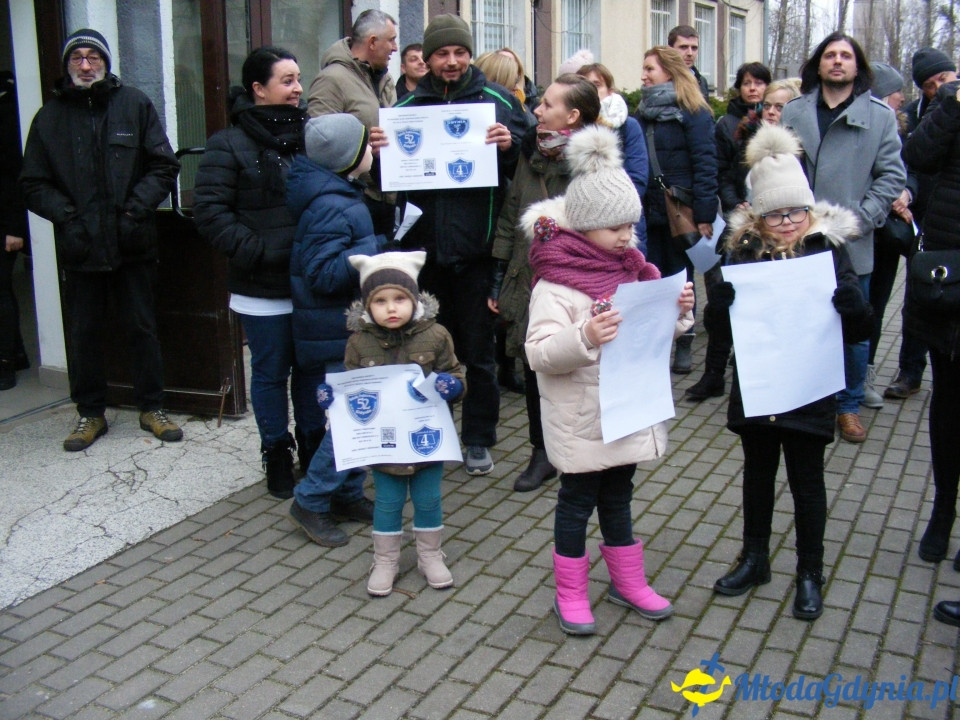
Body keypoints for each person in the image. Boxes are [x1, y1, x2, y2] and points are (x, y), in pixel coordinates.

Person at [523, 125, 695, 635]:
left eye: (630, 224)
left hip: (626, 409)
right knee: (576, 503)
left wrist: (679, 312)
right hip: (581, 417)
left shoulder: (633, 267)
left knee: (620, 497)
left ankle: (628, 580)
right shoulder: (555, 282)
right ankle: (570, 592)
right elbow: (538, 353)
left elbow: (652, 334)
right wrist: (585, 335)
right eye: (615, 226)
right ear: (582, 226)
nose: (627, 235)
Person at [709, 124, 873, 620]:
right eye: (775, 213)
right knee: (757, 475)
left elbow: (861, 330)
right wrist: (720, 305)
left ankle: (809, 571)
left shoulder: (826, 251)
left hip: (809, 386)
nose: (786, 222)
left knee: (807, 482)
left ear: (810, 210)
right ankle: (755, 557)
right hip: (758, 387)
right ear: (757, 215)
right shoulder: (741, 252)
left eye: (795, 212)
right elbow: (723, 332)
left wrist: (853, 306)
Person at [19, 29, 181, 450]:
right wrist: (69, 218)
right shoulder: (49, 118)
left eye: (93, 56)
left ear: (106, 62)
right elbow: (33, 183)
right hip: (80, 247)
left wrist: (132, 211)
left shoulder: (134, 105)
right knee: (84, 333)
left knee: (142, 328)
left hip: (132, 243)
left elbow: (163, 166)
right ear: (67, 65)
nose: (86, 65)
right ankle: (90, 414)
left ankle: (152, 407)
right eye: (77, 58)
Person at [393, 13, 528, 476]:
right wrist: (378, 155)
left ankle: (478, 438)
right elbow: (389, 183)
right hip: (425, 256)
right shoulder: (407, 108)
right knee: (426, 351)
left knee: (478, 353)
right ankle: (433, 431)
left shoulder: (499, 100)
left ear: (470, 54)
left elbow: (527, 162)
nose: (451, 62)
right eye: (442, 54)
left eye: (459, 52)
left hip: (477, 252)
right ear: (427, 58)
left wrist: (510, 145)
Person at [193, 47, 317, 499]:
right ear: (258, 89)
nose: (298, 89)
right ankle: (277, 454)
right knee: (269, 374)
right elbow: (208, 211)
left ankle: (313, 449)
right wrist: (259, 251)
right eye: (287, 80)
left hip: (309, 283)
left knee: (310, 373)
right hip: (260, 288)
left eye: (299, 79)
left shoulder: (312, 134)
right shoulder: (228, 143)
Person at [781, 33, 905, 444]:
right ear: (818, 65)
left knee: (853, 327)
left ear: (857, 66)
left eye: (846, 56)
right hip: (796, 241)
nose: (837, 62)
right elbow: (776, 166)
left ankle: (848, 405)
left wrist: (860, 219)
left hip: (852, 243)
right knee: (801, 323)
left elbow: (892, 177)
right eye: (830, 55)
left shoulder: (880, 117)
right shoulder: (795, 112)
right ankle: (801, 395)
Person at [318, 251, 465, 594]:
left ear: (414, 299)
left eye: (400, 298)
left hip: (427, 439)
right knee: (387, 502)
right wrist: (331, 398)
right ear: (367, 307)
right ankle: (385, 560)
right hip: (384, 444)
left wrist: (453, 386)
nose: (391, 308)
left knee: (428, 499)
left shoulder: (437, 335)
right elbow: (351, 386)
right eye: (380, 301)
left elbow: (455, 373)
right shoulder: (359, 342)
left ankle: (430, 554)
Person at [490, 75, 602, 493]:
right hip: (526, 273)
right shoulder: (529, 152)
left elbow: (610, 230)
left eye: (547, 105)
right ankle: (542, 452)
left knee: (572, 368)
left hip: (573, 281)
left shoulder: (596, 164)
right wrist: (498, 277)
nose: (536, 109)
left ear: (573, 116)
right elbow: (511, 212)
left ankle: (579, 447)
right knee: (532, 361)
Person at [284, 113, 386, 547]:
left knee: (354, 412)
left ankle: (346, 493)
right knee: (351, 422)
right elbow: (323, 274)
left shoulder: (339, 194)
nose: (373, 150)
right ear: (348, 158)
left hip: (338, 328)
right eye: (366, 145)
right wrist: (375, 250)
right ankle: (310, 500)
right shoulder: (332, 203)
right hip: (333, 331)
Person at [902, 77, 960, 580]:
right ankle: (942, 511)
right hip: (949, 278)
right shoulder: (951, 101)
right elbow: (917, 154)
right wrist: (953, 103)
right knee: (947, 406)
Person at [685, 61, 770, 402]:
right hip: (739, 221)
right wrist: (735, 204)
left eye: (759, 83)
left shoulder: (781, 127)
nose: (753, 88)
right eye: (747, 82)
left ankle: (751, 374)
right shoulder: (729, 124)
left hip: (776, 224)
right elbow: (722, 172)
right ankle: (714, 374)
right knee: (723, 294)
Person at [634, 46, 718, 374]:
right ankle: (656, 343)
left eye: (649, 69)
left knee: (681, 278)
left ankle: (684, 339)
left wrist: (706, 214)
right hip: (647, 211)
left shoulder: (694, 111)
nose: (643, 75)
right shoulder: (640, 114)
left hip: (681, 210)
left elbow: (705, 163)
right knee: (650, 278)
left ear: (668, 72)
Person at [884, 48, 957, 400]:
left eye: (943, 79)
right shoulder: (919, 115)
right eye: (930, 84)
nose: (939, 87)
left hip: (949, 224)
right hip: (923, 225)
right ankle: (910, 371)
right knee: (919, 298)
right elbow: (914, 159)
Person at [307, 9, 398, 237]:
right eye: (392, 40)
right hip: (355, 199)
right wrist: (366, 146)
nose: (396, 48)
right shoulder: (331, 80)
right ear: (373, 42)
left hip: (387, 198)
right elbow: (321, 145)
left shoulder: (385, 79)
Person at [863, 63, 916, 409]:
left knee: (877, 306)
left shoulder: (902, 132)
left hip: (886, 239)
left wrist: (906, 192)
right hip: (859, 231)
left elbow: (914, 172)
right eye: (897, 90)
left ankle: (864, 374)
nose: (902, 97)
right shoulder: (866, 127)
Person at [575, 62, 649, 253]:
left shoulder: (628, 126)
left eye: (597, 85)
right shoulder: (571, 127)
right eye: (585, 85)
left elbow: (638, 178)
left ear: (610, 90)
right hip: (581, 227)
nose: (592, 90)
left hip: (623, 225)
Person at [0, 70, 29, 390]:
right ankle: (16, 353)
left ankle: (5, 363)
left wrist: (14, 226)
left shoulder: (9, 110)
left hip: (5, 218)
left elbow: (14, 173)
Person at [668, 25, 710, 99]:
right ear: (670, 49)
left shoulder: (701, 81)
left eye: (694, 48)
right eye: (683, 47)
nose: (690, 53)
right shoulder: (660, 79)